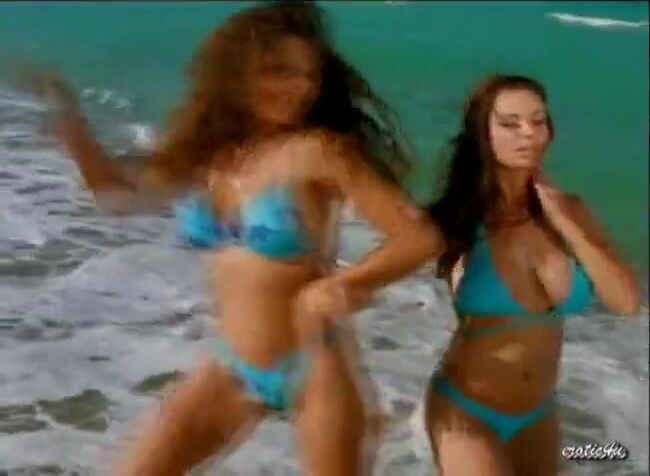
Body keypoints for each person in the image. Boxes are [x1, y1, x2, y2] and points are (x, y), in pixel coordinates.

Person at [19, 2, 442, 475]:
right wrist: (70, 124)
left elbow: (418, 238)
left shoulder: (318, 152)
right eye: (280, 71)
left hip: (313, 367)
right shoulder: (209, 155)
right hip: (230, 367)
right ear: (237, 74)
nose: (300, 87)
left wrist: (343, 283)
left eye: (309, 74)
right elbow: (117, 197)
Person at [423, 74, 640, 475]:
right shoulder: (459, 219)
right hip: (467, 411)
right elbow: (385, 259)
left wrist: (563, 220)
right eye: (510, 123)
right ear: (482, 134)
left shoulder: (571, 211)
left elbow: (626, 302)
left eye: (538, 121)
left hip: (539, 415)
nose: (529, 133)